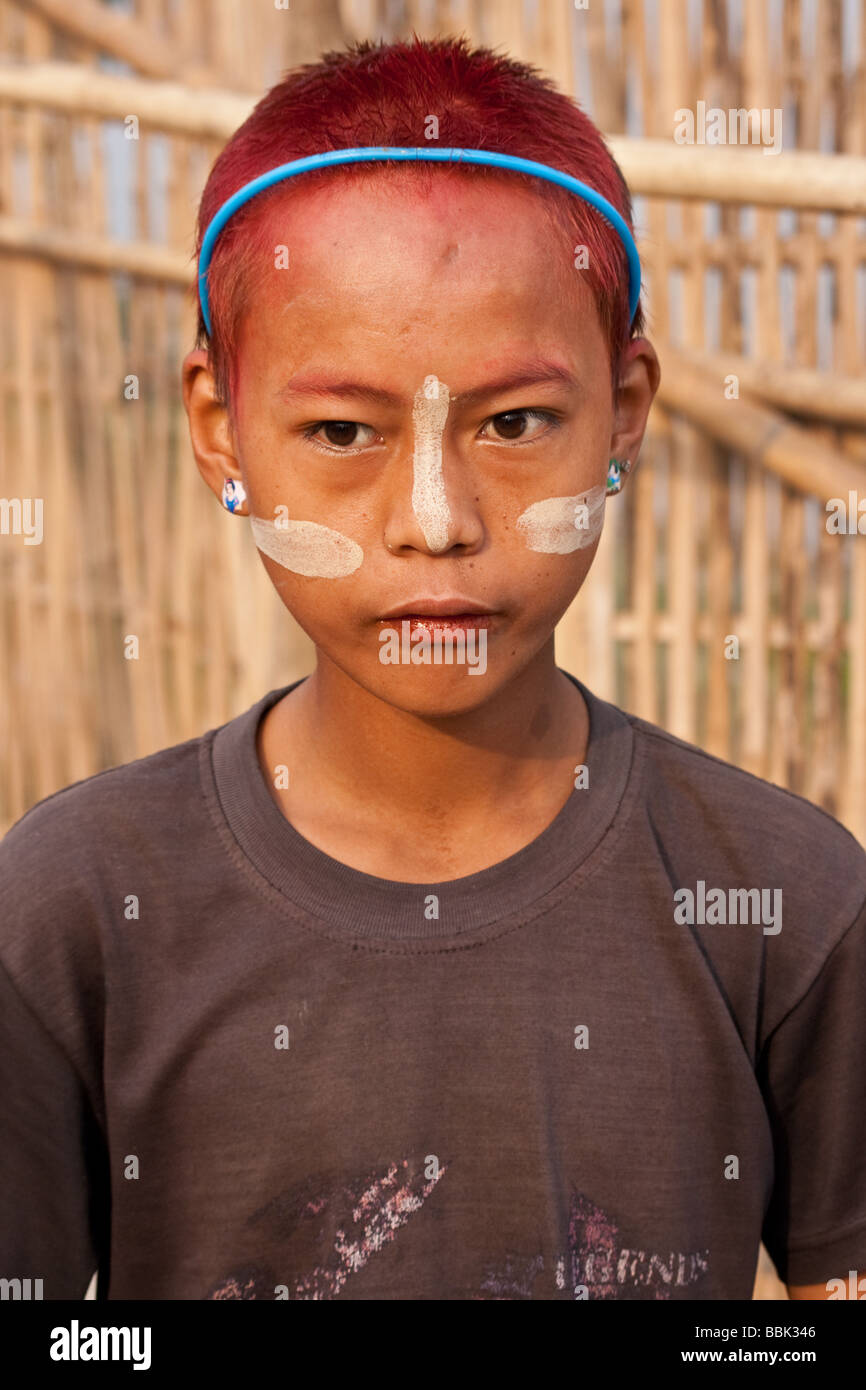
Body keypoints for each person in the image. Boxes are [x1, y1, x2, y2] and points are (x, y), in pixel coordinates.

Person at [1, 34, 864, 1302]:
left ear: (623, 414)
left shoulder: (781, 899)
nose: (435, 518)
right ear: (217, 428)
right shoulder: (70, 909)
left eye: (513, 422)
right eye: (341, 430)